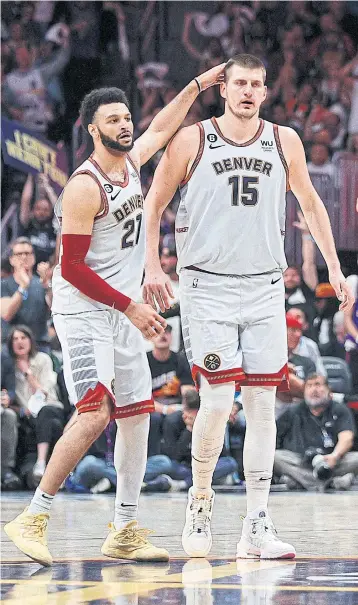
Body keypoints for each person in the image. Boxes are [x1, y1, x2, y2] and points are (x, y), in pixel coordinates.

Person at [4, 65, 225, 567]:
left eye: (127, 118)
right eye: (114, 120)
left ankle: (124, 528)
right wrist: (131, 305)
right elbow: (73, 269)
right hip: (85, 311)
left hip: (123, 309)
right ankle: (33, 516)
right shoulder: (84, 187)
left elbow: (162, 129)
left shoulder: (132, 164)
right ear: (92, 129)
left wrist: (195, 87)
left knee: (137, 414)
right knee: (95, 411)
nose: (125, 126)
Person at [143, 53, 354, 560]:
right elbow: (153, 202)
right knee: (216, 404)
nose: (247, 91)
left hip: (263, 287)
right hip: (207, 286)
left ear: (265, 92)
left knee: (263, 407)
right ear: (224, 88)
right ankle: (200, 499)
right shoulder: (193, 138)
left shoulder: (286, 141)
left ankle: (256, 524)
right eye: (239, 83)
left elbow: (310, 201)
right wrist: (152, 266)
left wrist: (333, 264)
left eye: (257, 85)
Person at [275, 374, 358, 491]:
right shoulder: (293, 411)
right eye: (309, 386)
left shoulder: (340, 409)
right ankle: (332, 482)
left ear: (329, 390)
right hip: (301, 462)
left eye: (318, 385)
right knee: (274, 457)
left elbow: (347, 438)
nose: (314, 390)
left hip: (333, 461)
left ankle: (300, 482)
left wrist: (335, 456)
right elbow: (275, 437)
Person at [8, 325, 65, 485]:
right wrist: (20, 410)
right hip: (28, 415)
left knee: (45, 413)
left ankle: (41, 462)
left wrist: (28, 373)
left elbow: (43, 394)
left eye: (23, 338)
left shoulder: (43, 359)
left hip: (50, 407)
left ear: (30, 341)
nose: (19, 342)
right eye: (15, 339)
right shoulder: (8, 365)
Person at [1, 238, 52, 351]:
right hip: (11, 346)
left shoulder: (41, 283)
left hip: (40, 344)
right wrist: (23, 286)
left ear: (33, 258)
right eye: (19, 254)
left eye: (27, 253)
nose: (24, 257)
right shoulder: (3, 284)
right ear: (11, 259)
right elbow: (6, 314)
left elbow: (54, 309)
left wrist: (47, 284)